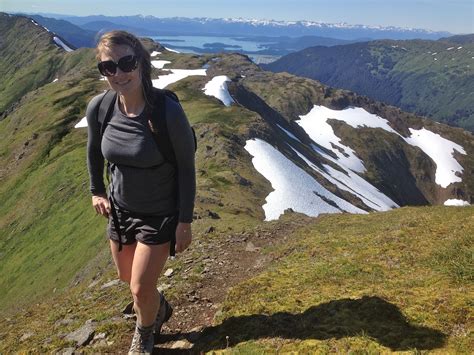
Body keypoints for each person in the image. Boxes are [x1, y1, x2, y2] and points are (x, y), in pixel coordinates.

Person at [86, 30, 196, 354]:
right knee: (126, 277)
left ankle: (145, 330)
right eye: (108, 67)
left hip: (159, 214)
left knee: (138, 287)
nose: (118, 73)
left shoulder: (167, 112)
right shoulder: (100, 108)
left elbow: (187, 169)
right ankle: (158, 308)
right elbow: (93, 151)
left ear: (141, 62)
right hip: (120, 211)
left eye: (126, 62)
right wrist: (96, 191)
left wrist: (184, 221)